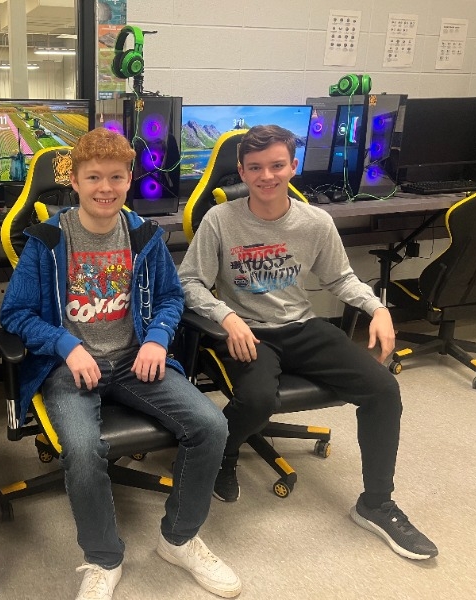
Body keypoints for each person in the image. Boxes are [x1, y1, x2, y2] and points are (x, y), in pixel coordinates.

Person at [0, 127, 242, 600]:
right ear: (76, 182)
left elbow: (172, 297)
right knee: (85, 448)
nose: (105, 188)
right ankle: (103, 558)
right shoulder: (48, 239)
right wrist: (66, 345)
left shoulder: (144, 236)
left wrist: (155, 338)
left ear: (130, 178)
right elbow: (15, 314)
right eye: (93, 178)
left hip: (135, 360)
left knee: (211, 425)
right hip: (72, 368)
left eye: (115, 177)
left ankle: (180, 539)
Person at [178, 124, 438, 560]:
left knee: (383, 389)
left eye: (277, 165)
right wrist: (227, 316)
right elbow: (190, 282)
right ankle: (224, 452)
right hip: (247, 331)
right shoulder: (220, 221)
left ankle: (376, 504)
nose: (267, 176)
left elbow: (340, 277)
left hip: (302, 325)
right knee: (258, 398)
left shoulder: (315, 222)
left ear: (292, 167)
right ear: (241, 171)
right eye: (256, 167)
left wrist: (378, 308)